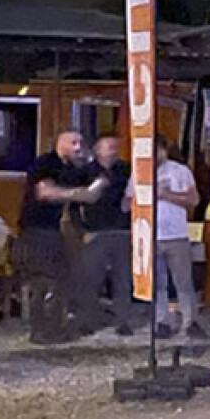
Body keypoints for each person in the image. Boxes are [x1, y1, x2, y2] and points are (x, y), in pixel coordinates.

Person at [13, 130, 105, 343]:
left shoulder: (71, 169)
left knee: (61, 278)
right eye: (73, 142)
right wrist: (79, 194)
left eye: (81, 142)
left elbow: (97, 185)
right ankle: (40, 331)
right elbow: (45, 192)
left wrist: (96, 177)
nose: (78, 147)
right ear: (60, 143)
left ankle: (54, 326)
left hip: (56, 230)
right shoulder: (46, 163)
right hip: (36, 229)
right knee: (43, 280)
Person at [136, 135, 204, 339]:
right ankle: (162, 321)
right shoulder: (139, 170)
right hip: (150, 235)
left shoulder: (180, 171)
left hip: (176, 235)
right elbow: (127, 201)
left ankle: (190, 321)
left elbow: (193, 199)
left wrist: (166, 195)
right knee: (158, 283)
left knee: (183, 281)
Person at [78, 132, 133, 335]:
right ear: (97, 149)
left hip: (121, 230)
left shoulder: (126, 170)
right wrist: (81, 228)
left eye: (115, 146)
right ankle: (88, 320)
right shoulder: (86, 172)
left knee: (122, 279)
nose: (113, 151)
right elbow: (77, 201)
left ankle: (123, 321)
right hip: (95, 231)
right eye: (108, 146)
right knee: (91, 279)